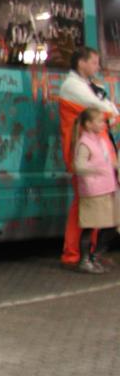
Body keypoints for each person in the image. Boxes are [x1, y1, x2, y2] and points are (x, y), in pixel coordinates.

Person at [59, 46, 119, 267]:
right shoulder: (72, 86)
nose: (98, 66)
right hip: (88, 160)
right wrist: (111, 114)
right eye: (93, 62)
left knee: (97, 209)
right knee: (84, 207)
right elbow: (104, 108)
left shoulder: (89, 86)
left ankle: (91, 253)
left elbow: (108, 108)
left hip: (99, 160)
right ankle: (74, 254)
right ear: (81, 63)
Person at [70, 107, 119, 273]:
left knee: (111, 225)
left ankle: (95, 256)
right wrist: (97, 169)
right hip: (93, 191)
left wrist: (114, 166)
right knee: (90, 226)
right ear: (89, 124)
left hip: (107, 188)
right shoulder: (84, 143)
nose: (103, 124)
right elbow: (79, 166)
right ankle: (85, 260)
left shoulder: (101, 141)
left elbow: (108, 161)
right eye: (99, 121)